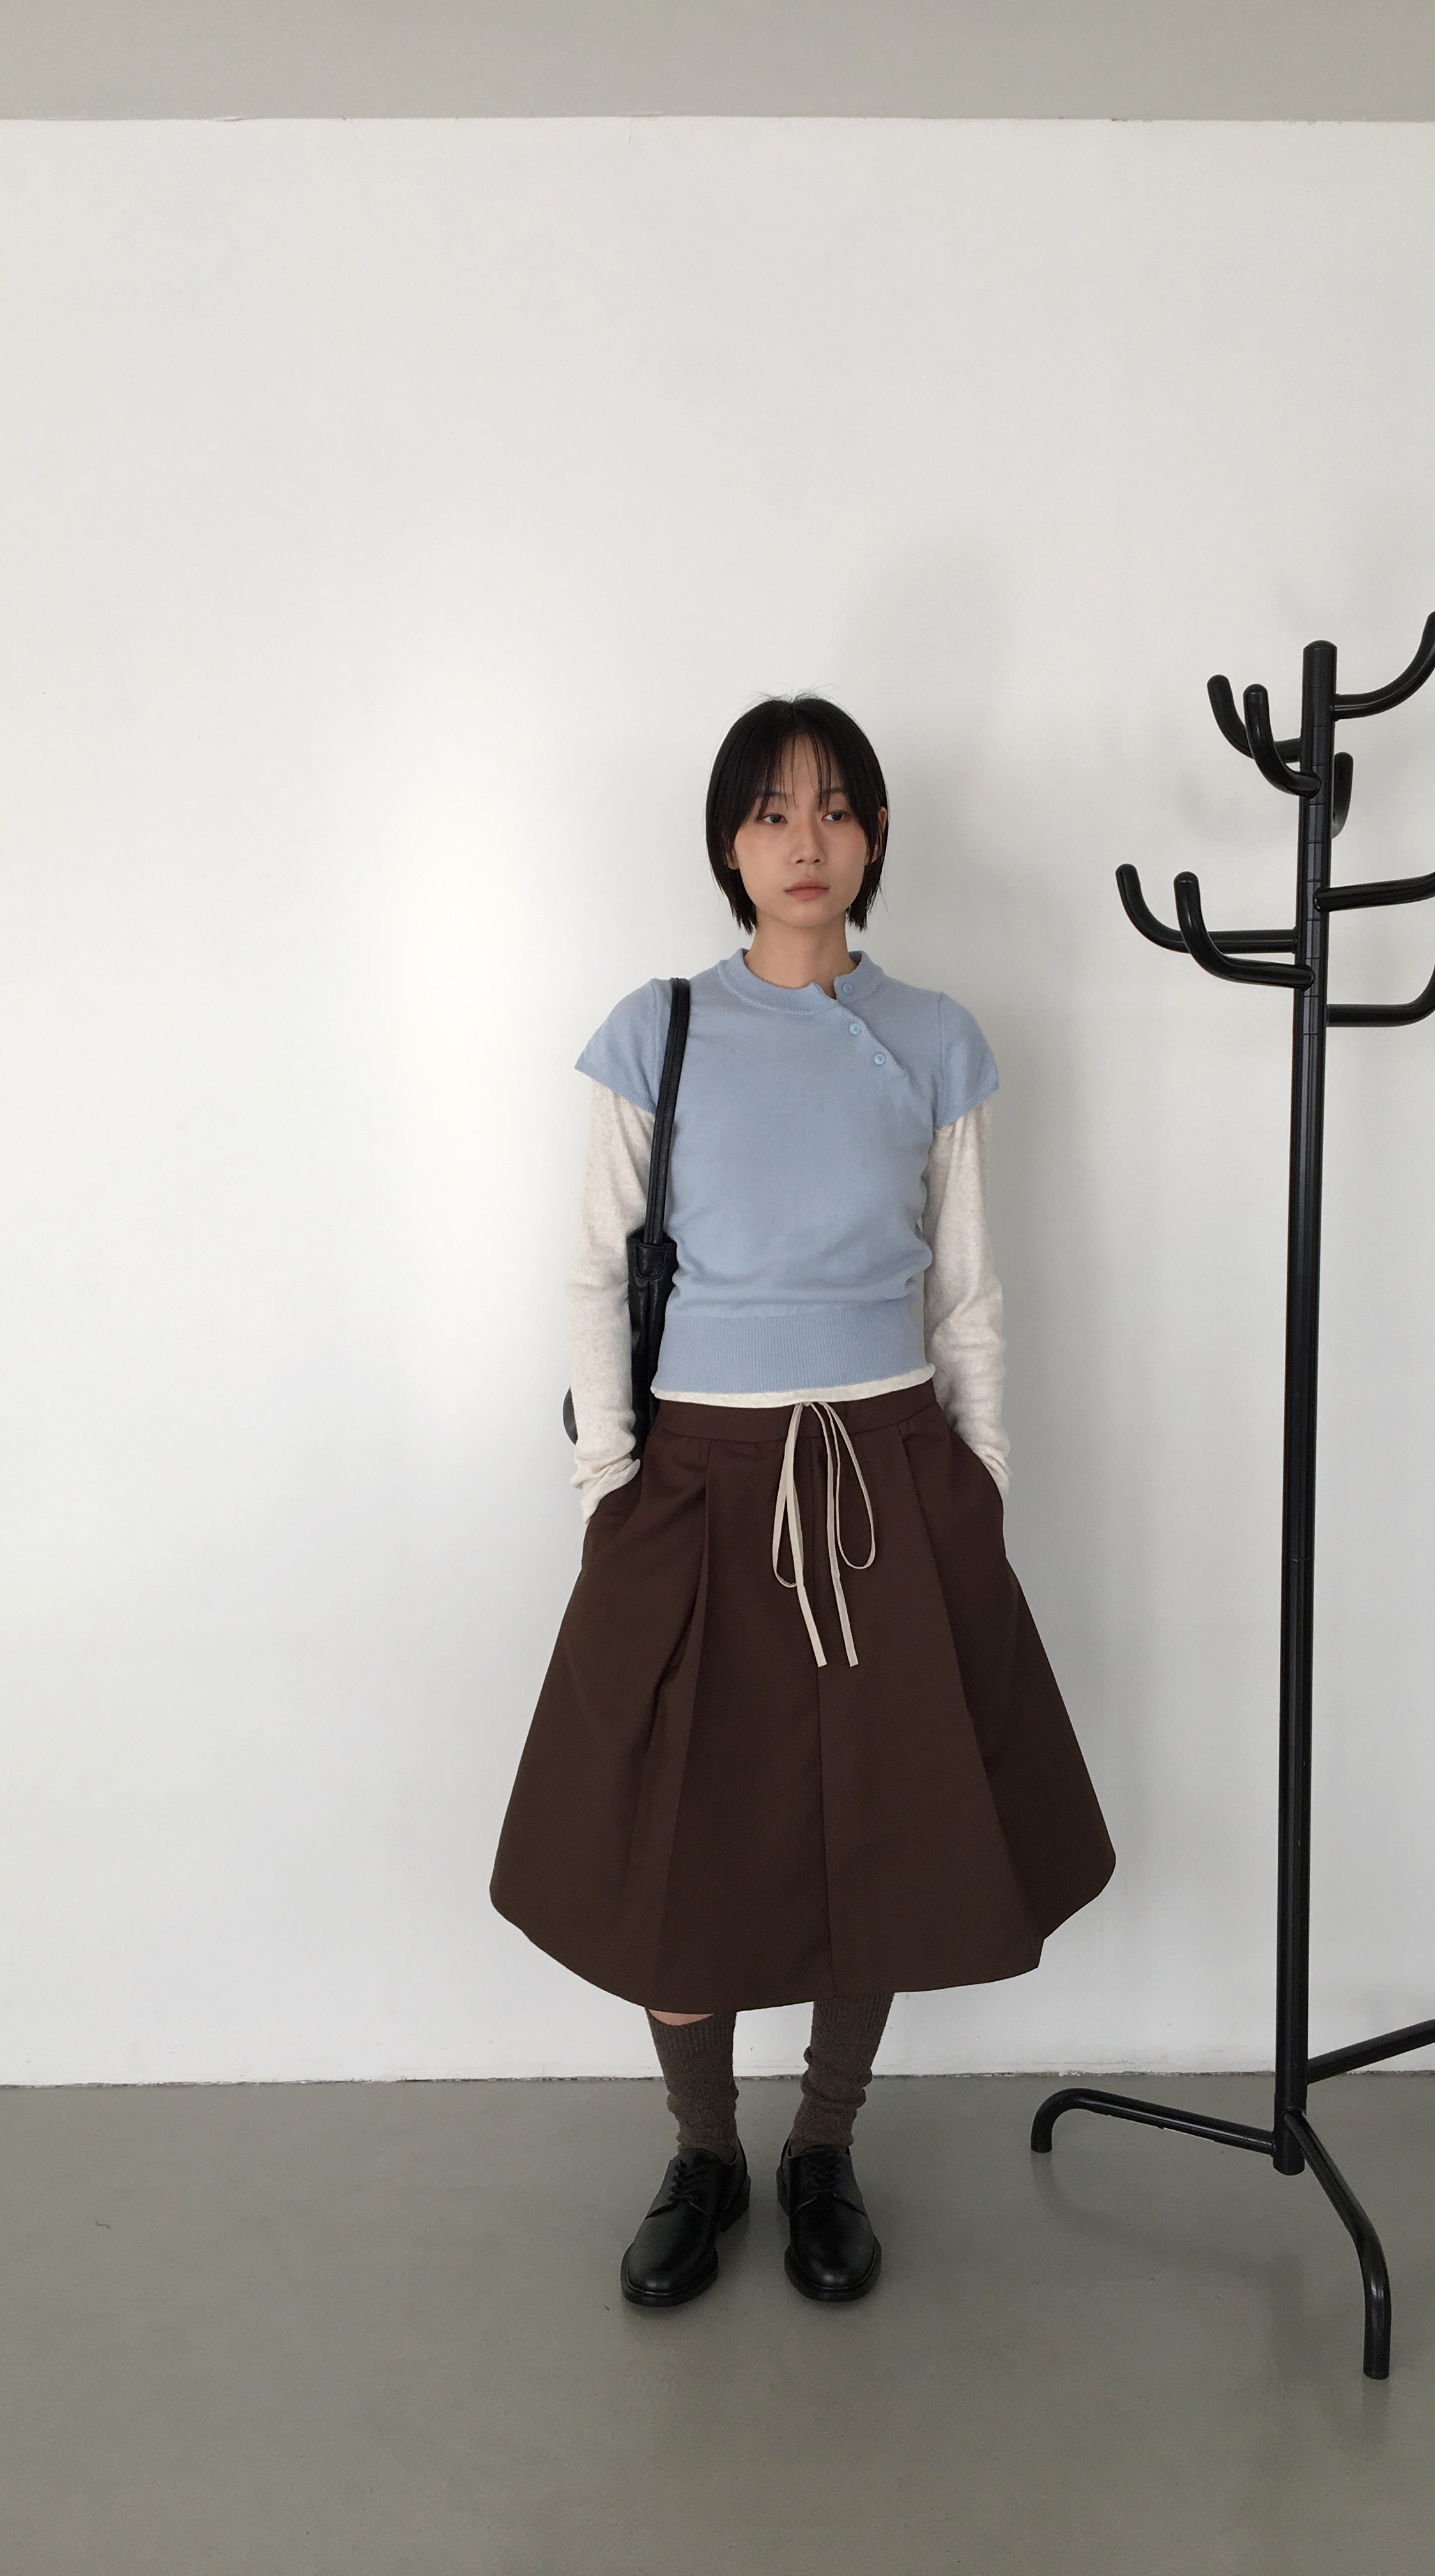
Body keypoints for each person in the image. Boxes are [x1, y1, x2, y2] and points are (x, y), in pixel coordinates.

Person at [491, 693, 1115, 2310]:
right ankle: (704, 2152)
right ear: (729, 844)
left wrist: (977, 1482)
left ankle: (825, 2145)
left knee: (880, 1828)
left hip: (888, 1474)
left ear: (878, 834)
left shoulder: (937, 1040)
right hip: (695, 1485)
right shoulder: (658, 1031)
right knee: (677, 1839)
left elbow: (968, 1293)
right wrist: (609, 1487)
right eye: (771, 811)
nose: (806, 840)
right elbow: (593, 1272)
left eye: (836, 808)